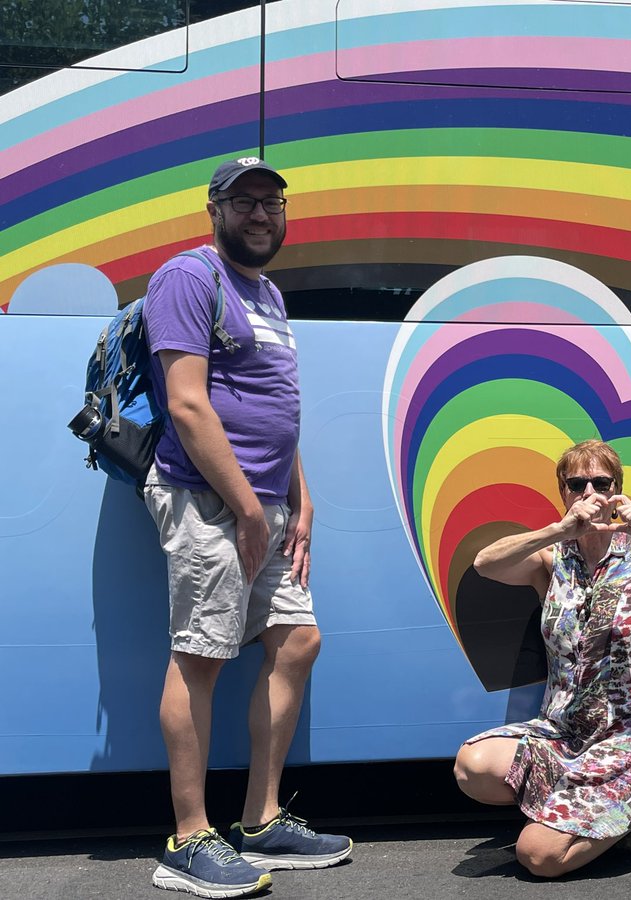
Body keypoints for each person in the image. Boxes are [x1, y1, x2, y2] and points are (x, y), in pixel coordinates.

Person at [141, 158, 351, 898]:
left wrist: (301, 495)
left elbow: (274, 404)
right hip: (207, 499)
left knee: (298, 640)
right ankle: (188, 840)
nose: (261, 213)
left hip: (267, 504)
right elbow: (189, 405)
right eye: (245, 202)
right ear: (214, 209)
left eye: (273, 201)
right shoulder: (188, 278)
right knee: (201, 655)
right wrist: (250, 507)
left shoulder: (267, 291)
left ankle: (259, 821)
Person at [454, 439, 631, 877]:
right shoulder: (551, 560)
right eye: (576, 483)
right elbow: (485, 563)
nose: (589, 492)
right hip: (565, 727)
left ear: (616, 490)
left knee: (540, 857)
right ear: (563, 492)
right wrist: (559, 530)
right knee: (473, 767)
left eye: (600, 482)